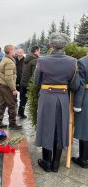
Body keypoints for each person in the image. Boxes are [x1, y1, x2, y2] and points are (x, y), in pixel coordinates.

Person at [35, 33, 79, 173]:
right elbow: (75, 85)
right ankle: (55, 164)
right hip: (62, 98)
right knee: (61, 128)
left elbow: (36, 82)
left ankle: (46, 162)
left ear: (51, 45)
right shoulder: (73, 62)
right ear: (65, 45)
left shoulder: (42, 61)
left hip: (47, 97)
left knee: (47, 128)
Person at [0, 45, 22, 130]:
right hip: (6, 87)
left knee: (1, 105)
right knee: (12, 105)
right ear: (10, 51)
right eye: (14, 49)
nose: (15, 51)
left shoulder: (4, 59)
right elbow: (9, 78)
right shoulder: (9, 62)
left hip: (1, 85)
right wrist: (13, 89)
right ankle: (12, 123)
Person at [72, 53, 88, 168]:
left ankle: (83, 159)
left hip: (86, 98)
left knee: (85, 130)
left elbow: (80, 85)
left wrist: (77, 104)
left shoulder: (82, 62)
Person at [19, 46, 40, 119]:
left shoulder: (27, 58)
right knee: (32, 100)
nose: (39, 52)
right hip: (29, 83)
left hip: (23, 81)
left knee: (23, 99)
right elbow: (35, 74)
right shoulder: (35, 60)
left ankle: (20, 112)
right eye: (39, 51)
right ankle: (35, 115)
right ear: (36, 51)